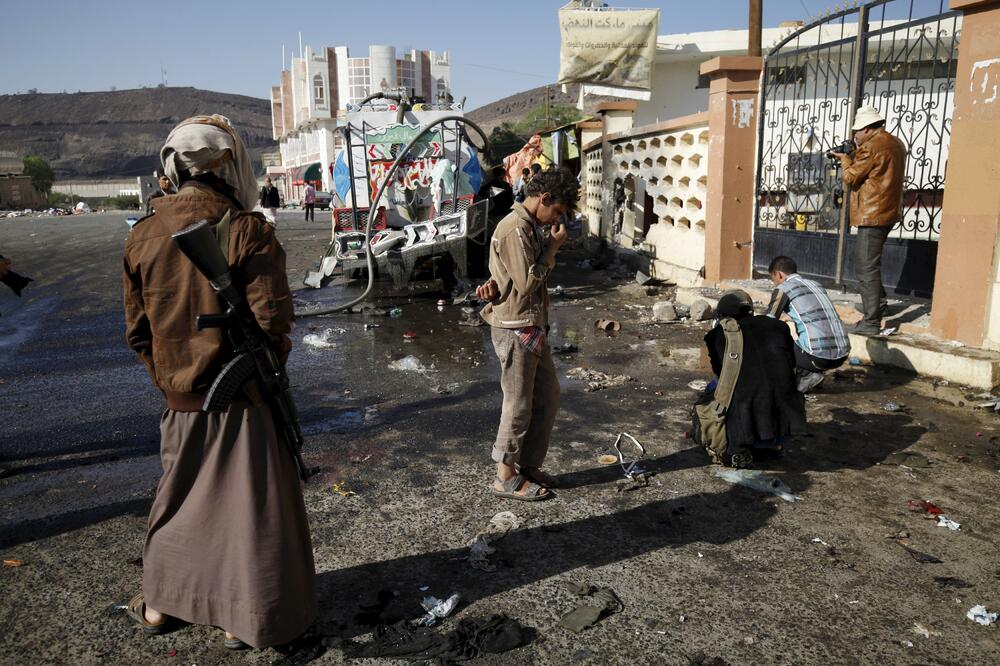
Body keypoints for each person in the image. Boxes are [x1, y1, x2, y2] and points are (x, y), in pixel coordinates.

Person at [122, 115, 316, 650]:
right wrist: (262, 377)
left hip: (181, 404)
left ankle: (161, 604)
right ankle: (243, 618)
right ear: (227, 162)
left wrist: (174, 383)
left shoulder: (142, 235)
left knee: (180, 503)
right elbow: (274, 324)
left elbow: (138, 332)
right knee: (247, 516)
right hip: (243, 403)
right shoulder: (248, 229)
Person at [475, 169, 579, 501]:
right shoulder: (514, 229)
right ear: (544, 199)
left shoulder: (530, 227)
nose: (557, 219)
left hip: (532, 325)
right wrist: (553, 249)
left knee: (547, 398)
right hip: (514, 328)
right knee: (518, 404)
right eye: (558, 211)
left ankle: (529, 466)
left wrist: (547, 245)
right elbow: (527, 283)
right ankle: (504, 475)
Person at [703, 290, 806, 463]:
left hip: (744, 433)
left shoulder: (716, 336)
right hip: (788, 428)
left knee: (712, 388)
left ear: (721, 316)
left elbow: (720, 378)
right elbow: (790, 366)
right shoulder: (779, 327)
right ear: (751, 311)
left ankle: (737, 443)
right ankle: (773, 445)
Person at [831, 105, 906, 335]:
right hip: (887, 210)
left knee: (866, 267)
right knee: (870, 264)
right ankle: (877, 304)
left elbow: (851, 178)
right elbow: (876, 171)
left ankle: (872, 321)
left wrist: (845, 159)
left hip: (872, 214)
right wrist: (855, 153)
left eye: (857, 131)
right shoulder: (895, 143)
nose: (855, 136)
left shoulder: (871, 146)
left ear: (866, 128)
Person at [767, 256, 850, 393]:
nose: (774, 283)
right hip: (842, 353)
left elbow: (768, 323)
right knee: (802, 331)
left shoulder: (783, 288)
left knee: (775, 340)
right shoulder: (815, 284)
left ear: (778, 274)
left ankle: (807, 374)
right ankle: (812, 374)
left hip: (817, 357)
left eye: (773, 279)